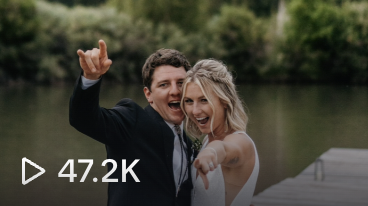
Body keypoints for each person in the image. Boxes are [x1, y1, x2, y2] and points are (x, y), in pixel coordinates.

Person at [69, 40, 194, 206]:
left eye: (181, 83)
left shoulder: (191, 146)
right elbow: (84, 119)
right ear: (148, 94)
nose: (175, 91)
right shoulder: (131, 121)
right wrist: (91, 78)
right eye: (164, 85)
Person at [182, 59, 259, 206]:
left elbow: (224, 149)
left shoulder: (241, 142)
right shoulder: (207, 140)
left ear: (224, 100)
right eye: (189, 101)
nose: (195, 110)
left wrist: (212, 153)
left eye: (204, 100)